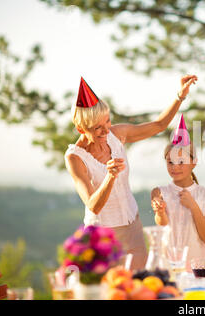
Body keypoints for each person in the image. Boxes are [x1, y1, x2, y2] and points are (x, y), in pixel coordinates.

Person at [65, 75, 197, 270]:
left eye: (107, 122)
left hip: (132, 225)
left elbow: (159, 125)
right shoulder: (75, 157)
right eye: (97, 128)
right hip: (103, 234)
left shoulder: (116, 134)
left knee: (140, 285)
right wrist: (110, 177)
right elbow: (93, 205)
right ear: (80, 128)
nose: (105, 131)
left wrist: (180, 96)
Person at [150, 133, 205, 272]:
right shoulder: (159, 192)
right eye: (170, 162)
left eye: (181, 162)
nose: (175, 167)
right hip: (168, 265)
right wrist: (160, 212)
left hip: (198, 267)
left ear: (194, 162)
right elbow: (162, 225)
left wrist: (194, 207)